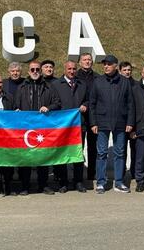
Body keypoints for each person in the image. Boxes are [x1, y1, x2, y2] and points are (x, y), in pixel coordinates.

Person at [89, 55, 134, 194]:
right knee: (101, 153)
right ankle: (101, 183)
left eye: (109, 64)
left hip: (120, 122)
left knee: (120, 153)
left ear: (115, 66)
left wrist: (130, 122)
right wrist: (93, 122)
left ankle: (119, 182)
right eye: (104, 64)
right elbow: (92, 104)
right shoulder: (98, 81)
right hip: (102, 123)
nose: (106, 66)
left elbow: (130, 104)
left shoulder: (125, 82)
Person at [15, 60, 60, 195]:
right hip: (26, 128)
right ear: (28, 72)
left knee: (43, 157)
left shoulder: (49, 86)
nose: (35, 72)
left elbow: (57, 103)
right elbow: (15, 105)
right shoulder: (22, 87)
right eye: (32, 70)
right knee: (26, 158)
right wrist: (16, 110)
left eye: (37, 70)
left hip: (43, 127)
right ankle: (25, 186)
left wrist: (49, 107)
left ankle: (43, 185)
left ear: (41, 71)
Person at [52, 60, 88, 193]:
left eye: (74, 69)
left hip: (79, 125)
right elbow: (54, 103)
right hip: (62, 127)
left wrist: (86, 105)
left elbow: (89, 99)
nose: (72, 71)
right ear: (64, 69)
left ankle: (78, 182)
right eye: (69, 69)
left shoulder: (82, 84)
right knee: (62, 154)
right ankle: (63, 182)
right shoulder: (56, 85)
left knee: (78, 154)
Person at [76, 52, 99, 180]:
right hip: (79, 118)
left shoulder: (97, 77)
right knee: (79, 148)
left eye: (89, 59)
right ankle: (78, 176)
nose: (87, 62)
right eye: (84, 60)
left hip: (94, 117)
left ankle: (92, 174)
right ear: (80, 62)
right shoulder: (75, 76)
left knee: (93, 148)